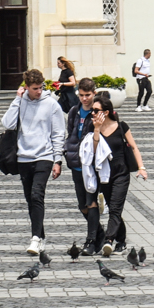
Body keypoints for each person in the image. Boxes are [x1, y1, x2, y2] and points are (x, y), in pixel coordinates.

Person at [1, 69, 65, 254]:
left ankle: (35, 239)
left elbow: (59, 133)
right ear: (26, 87)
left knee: (37, 195)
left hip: (44, 156)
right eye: (35, 88)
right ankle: (41, 236)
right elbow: (7, 124)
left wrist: (57, 160)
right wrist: (17, 100)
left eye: (41, 87)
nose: (39, 91)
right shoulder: (21, 102)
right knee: (31, 200)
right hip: (23, 158)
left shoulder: (51, 104)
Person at [85, 94, 148, 255]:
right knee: (114, 209)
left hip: (121, 173)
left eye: (96, 110)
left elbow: (134, 147)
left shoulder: (121, 126)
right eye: (92, 110)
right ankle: (121, 240)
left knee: (115, 208)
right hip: (104, 175)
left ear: (105, 112)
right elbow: (91, 151)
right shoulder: (91, 127)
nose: (92, 113)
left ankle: (109, 240)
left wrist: (141, 167)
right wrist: (97, 129)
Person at [61, 79, 104, 247]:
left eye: (88, 95)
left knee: (91, 202)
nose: (84, 99)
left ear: (94, 93)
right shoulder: (74, 111)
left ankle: (91, 241)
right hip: (76, 162)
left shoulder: (97, 112)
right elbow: (71, 132)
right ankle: (100, 234)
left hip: (92, 163)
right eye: (81, 95)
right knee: (82, 205)